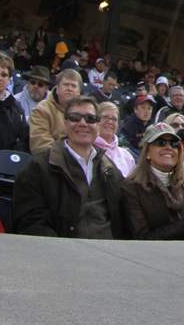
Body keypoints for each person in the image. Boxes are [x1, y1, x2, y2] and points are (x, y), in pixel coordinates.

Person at [13, 95, 127, 238]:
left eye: (90, 119)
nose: (83, 123)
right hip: (63, 252)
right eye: (75, 117)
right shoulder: (38, 168)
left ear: (97, 125)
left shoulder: (110, 169)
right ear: (65, 123)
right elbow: (31, 222)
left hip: (110, 252)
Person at [121, 122, 184, 240]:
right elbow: (142, 238)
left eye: (174, 144)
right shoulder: (131, 188)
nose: (168, 147)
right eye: (160, 142)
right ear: (147, 152)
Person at [29, 69, 81, 153]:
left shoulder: (85, 113)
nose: (69, 89)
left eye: (73, 86)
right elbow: (40, 146)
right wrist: (71, 157)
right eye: (66, 85)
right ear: (57, 89)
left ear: (79, 92)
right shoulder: (41, 110)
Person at [94, 101, 135, 177]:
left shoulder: (126, 155)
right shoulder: (88, 151)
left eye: (114, 119)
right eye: (105, 117)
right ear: (96, 120)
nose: (110, 121)